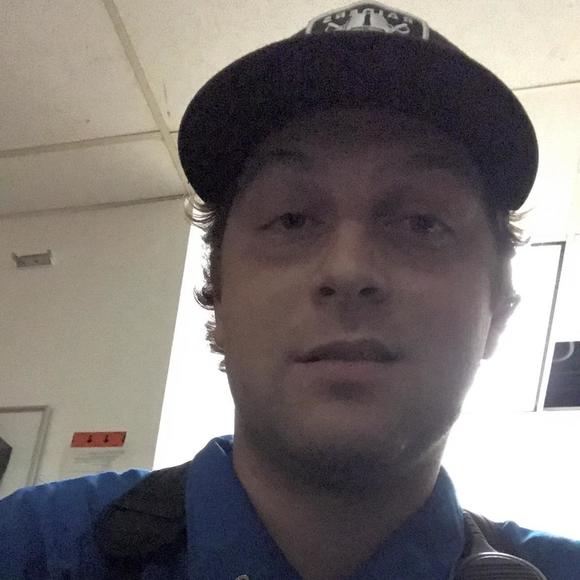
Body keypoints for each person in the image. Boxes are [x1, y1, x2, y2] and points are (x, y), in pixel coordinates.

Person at [1, 2, 579, 579]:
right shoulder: (29, 546)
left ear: (498, 312)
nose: (348, 270)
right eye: (292, 219)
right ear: (218, 297)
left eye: (423, 223)